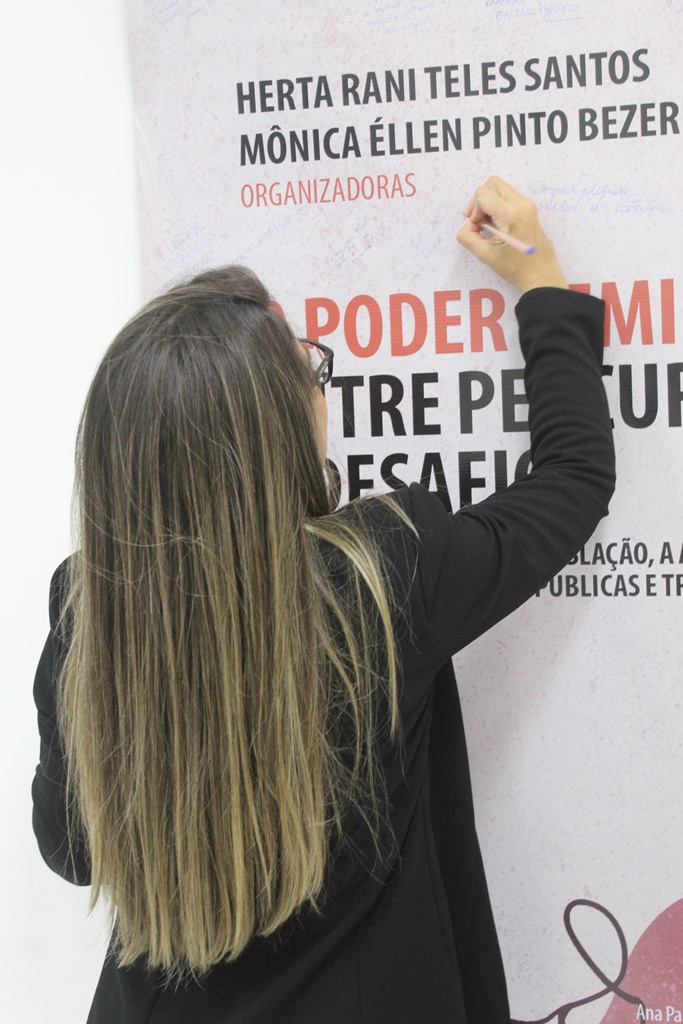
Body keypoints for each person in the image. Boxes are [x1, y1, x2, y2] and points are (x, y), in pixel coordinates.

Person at [32, 177, 616, 1024]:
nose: (321, 389)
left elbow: (73, 850)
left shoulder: (87, 606)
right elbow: (573, 477)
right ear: (275, 435)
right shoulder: (380, 575)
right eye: (309, 373)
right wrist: (537, 274)